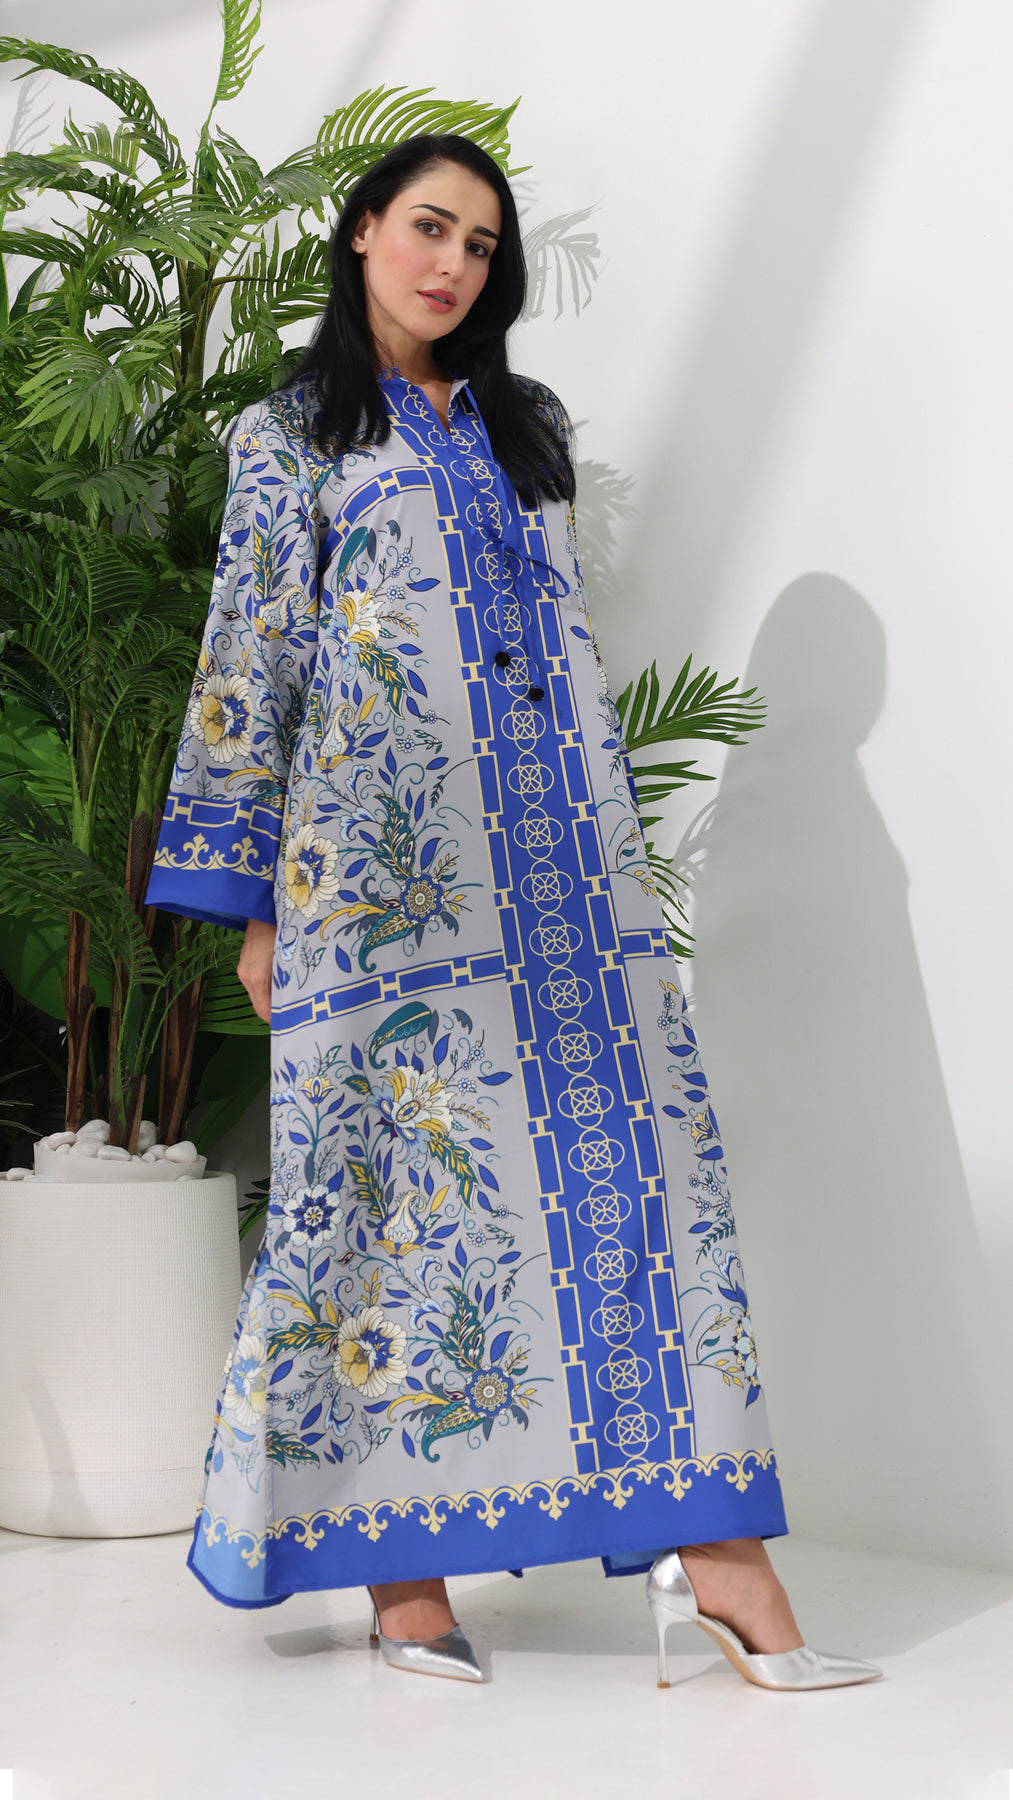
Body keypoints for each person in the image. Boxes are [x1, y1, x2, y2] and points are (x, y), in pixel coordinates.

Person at [146, 133, 879, 1691]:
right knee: (384, 1205)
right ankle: (402, 1580)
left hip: (562, 887)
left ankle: (724, 1566)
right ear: (361, 233)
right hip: (377, 886)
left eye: (480, 246)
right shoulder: (289, 436)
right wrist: (251, 909)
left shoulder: (520, 425)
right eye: (429, 228)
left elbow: (565, 653)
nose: (453, 265)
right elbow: (248, 660)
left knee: (644, 1186)